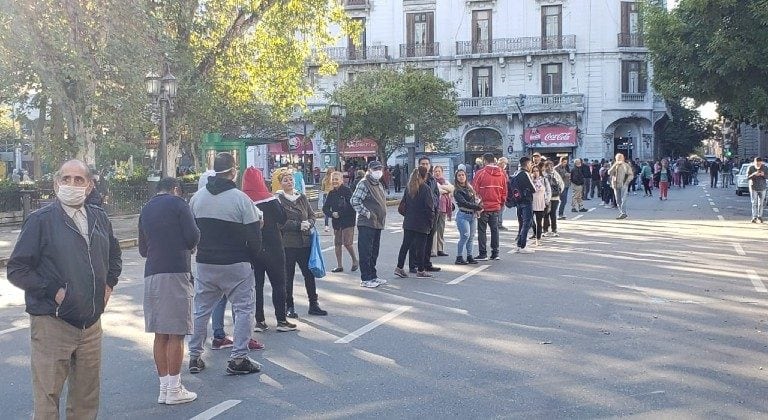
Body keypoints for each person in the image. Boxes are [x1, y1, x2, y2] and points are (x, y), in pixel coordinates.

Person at [7, 159, 122, 419]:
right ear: (56, 184)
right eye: (66, 179)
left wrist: (109, 285)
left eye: (78, 180)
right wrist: (55, 292)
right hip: (52, 323)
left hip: (91, 325)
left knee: (86, 400)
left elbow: (114, 256)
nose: (72, 184)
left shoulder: (99, 218)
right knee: (48, 400)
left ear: (90, 186)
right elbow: (17, 269)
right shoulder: (40, 220)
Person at [188, 152, 263, 376]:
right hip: (236, 263)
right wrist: (252, 258)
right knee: (243, 310)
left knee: (201, 310)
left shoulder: (197, 198)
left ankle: (194, 356)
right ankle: (238, 358)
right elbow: (254, 237)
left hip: (205, 263)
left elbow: (192, 233)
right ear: (232, 171)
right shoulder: (241, 199)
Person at [139, 177, 200, 405]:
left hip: (152, 272)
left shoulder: (145, 209)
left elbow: (143, 249)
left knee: (160, 333)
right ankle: (175, 389)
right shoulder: (179, 204)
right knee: (176, 332)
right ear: (176, 190)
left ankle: (164, 387)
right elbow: (193, 236)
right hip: (175, 271)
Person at [241, 167, 298, 333]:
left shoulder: (243, 200)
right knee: (279, 283)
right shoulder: (270, 199)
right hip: (273, 246)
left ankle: (259, 321)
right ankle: (281, 319)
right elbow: (282, 218)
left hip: (252, 248)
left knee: (256, 286)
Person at [276, 171, 328, 317]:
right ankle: (289, 306)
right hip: (288, 244)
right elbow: (280, 223)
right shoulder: (279, 200)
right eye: (285, 180)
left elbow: (312, 215)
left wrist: (309, 223)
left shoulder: (302, 197)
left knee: (309, 274)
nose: (289, 182)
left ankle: (313, 304)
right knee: (288, 276)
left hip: (305, 243)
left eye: (291, 180)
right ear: (281, 183)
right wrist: (298, 225)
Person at [350, 160, 388, 288]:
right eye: (375, 169)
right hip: (367, 223)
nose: (378, 171)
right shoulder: (364, 183)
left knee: (374, 251)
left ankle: (373, 275)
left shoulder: (377, 183)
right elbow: (354, 200)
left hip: (377, 223)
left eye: (380, 169)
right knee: (366, 251)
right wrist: (367, 213)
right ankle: (366, 278)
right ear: (369, 170)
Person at [394, 167, 435, 278]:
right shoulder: (425, 188)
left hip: (409, 222)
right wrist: (431, 222)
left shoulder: (409, 188)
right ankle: (421, 270)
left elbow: (402, 206)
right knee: (421, 247)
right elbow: (429, 207)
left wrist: (408, 216)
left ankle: (399, 267)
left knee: (405, 246)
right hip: (422, 223)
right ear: (424, 176)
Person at [409, 157, 441, 272]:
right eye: (422, 163)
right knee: (415, 241)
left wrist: (435, 206)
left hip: (432, 213)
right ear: (418, 165)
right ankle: (414, 265)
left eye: (427, 163)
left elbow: (436, 194)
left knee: (429, 240)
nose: (425, 165)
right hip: (419, 215)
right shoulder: (415, 180)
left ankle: (426, 263)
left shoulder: (432, 179)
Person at [473, 153, 507, 261]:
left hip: (483, 207)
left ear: (484, 161)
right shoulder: (501, 174)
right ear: (494, 160)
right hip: (496, 206)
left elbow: (474, 190)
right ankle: (495, 253)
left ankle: (483, 253)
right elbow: (504, 190)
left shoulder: (480, 173)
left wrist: (477, 205)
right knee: (495, 230)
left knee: (482, 231)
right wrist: (501, 203)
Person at [322, 171, 359, 273]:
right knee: (337, 243)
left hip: (348, 220)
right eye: (333, 179)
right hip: (336, 222)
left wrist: (340, 213)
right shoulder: (331, 193)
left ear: (341, 180)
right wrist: (331, 214)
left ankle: (355, 260)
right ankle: (339, 265)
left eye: (336, 179)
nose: (334, 181)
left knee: (347, 243)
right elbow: (325, 208)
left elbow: (352, 206)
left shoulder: (347, 191)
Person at [453, 168, 482, 265]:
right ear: (456, 178)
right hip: (463, 215)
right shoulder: (457, 190)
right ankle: (459, 257)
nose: (461, 177)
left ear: (466, 176)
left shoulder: (469, 188)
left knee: (471, 237)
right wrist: (477, 207)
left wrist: (477, 205)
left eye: (463, 175)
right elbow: (464, 203)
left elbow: (474, 200)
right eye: (459, 175)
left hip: (472, 215)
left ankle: (470, 256)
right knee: (465, 236)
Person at [512, 156, 535, 254]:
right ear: (526, 164)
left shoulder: (516, 173)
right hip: (526, 201)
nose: (531, 166)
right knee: (527, 223)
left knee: (523, 223)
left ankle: (519, 244)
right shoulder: (524, 174)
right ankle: (522, 245)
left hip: (518, 201)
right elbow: (533, 188)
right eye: (530, 164)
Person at [431, 165, 454, 257]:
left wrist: (444, 189)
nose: (437, 173)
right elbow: (437, 191)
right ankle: (433, 250)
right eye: (435, 171)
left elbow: (452, 189)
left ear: (442, 172)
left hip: (444, 209)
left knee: (441, 229)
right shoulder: (432, 182)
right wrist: (446, 189)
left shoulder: (445, 181)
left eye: (439, 171)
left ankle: (440, 249)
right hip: (435, 208)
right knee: (434, 230)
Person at [609, 153, 634, 220]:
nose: (619, 159)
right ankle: (622, 213)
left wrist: (627, 182)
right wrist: (614, 165)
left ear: (623, 158)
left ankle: (623, 213)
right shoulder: (614, 165)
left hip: (623, 185)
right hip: (615, 185)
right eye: (617, 158)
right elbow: (609, 172)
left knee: (623, 199)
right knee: (618, 200)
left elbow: (631, 175)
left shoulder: (626, 165)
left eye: (620, 158)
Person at [542, 161, 564, 237]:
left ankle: (554, 230)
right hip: (546, 198)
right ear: (545, 167)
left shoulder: (556, 174)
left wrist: (559, 191)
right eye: (548, 166)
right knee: (546, 214)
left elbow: (561, 184)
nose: (550, 168)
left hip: (555, 198)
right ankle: (545, 230)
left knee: (553, 214)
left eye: (551, 166)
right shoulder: (543, 174)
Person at [531, 165, 550, 246]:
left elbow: (548, 190)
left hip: (541, 202)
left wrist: (547, 200)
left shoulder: (543, 180)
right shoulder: (530, 180)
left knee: (539, 222)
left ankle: (538, 239)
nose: (536, 173)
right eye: (534, 171)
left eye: (537, 171)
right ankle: (535, 232)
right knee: (530, 221)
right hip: (531, 203)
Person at [747, 157, 767, 223]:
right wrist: (754, 174)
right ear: (754, 162)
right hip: (753, 187)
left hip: (763, 187)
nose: (758, 164)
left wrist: (763, 175)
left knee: (761, 203)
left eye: (760, 163)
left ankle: (760, 216)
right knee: (754, 203)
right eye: (757, 163)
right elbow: (747, 177)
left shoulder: (765, 168)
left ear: (761, 162)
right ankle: (754, 217)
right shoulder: (751, 168)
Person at [320, 167, 335, 232]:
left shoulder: (324, 179)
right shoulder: (334, 180)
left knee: (326, 211)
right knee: (335, 210)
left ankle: (326, 226)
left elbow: (322, 188)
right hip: (333, 195)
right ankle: (335, 225)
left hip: (325, 195)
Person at [497, 157, 509, 230]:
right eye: (505, 163)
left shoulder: (502, 171)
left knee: (500, 209)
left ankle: (499, 223)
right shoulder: (500, 171)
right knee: (500, 209)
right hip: (500, 193)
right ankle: (499, 224)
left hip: (502, 192)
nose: (506, 165)